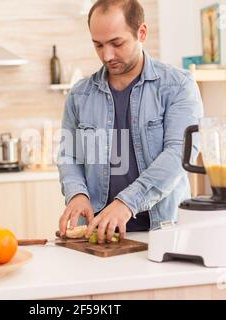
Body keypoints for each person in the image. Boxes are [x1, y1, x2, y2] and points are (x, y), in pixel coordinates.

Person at [57, 0, 203, 244]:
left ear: (141, 33)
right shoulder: (80, 95)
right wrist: (77, 194)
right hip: (96, 236)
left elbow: (180, 153)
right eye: (98, 45)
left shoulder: (178, 86)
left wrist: (126, 203)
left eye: (117, 43)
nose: (107, 55)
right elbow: (68, 155)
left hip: (164, 231)